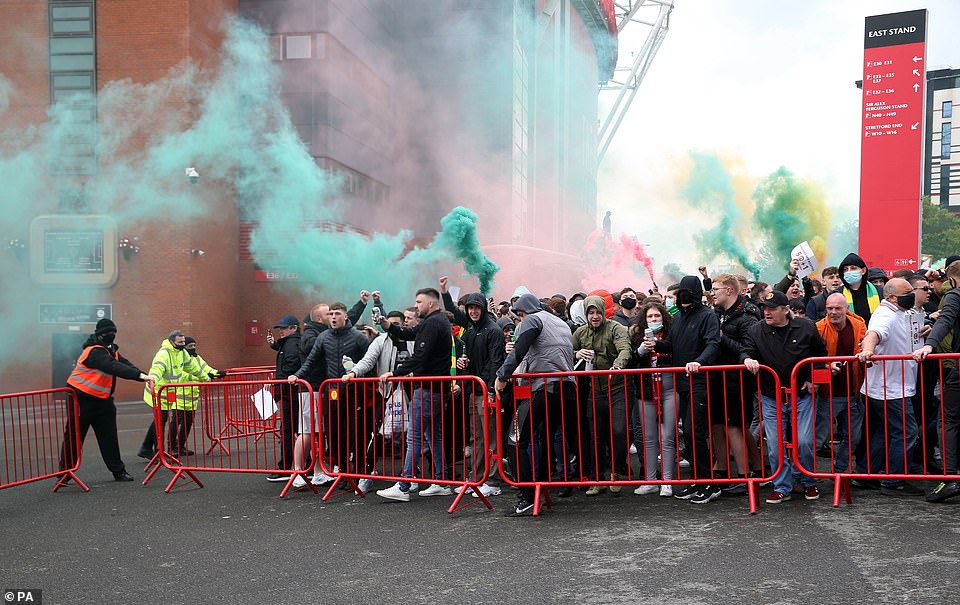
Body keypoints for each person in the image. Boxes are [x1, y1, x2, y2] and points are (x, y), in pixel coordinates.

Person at [494, 293, 577, 516]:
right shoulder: (558, 321)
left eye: (519, 316)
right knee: (545, 438)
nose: (520, 321)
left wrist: (502, 376)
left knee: (514, 440)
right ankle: (540, 491)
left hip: (545, 387)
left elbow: (519, 350)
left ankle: (527, 497)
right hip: (566, 387)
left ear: (524, 312)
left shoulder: (532, 319)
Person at [742, 290, 827, 504]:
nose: (767, 313)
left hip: (801, 393)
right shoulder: (756, 330)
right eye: (765, 309)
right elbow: (746, 350)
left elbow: (821, 354)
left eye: (772, 309)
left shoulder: (806, 326)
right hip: (771, 395)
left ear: (786, 310)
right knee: (775, 443)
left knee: (805, 441)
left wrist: (813, 378)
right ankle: (782, 485)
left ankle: (808, 481)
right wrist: (747, 359)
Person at [376, 288, 455, 502]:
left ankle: (404, 486)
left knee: (414, 437)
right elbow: (409, 334)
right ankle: (441, 482)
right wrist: (387, 325)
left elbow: (420, 355)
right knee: (434, 437)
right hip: (436, 390)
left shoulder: (433, 323)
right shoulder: (437, 322)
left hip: (427, 389)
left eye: (419, 301)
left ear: (431, 303)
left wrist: (396, 371)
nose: (416, 305)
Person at [651, 275, 721, 504]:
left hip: (700, 381)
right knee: (689, 434)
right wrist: (656, 345)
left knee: (694, 432)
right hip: (683, 382)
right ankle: (698, 480)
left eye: (687, 293)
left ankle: (708, 483)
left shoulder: (708, 316)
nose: (683, 298)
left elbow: (713, 343)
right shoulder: (679, 318)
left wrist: (700, 362)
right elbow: (672, 345)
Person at [60, 318, 151, 481]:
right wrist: (137, 375)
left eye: (114, 332)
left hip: (103, 400)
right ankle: (64, 474)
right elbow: (111, 366)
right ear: (99, 335)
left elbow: (125, 364)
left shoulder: (111, 351)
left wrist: (143, 375)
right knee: (74, 436)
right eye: (108, 333)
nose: (112, 335)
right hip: (80, 399)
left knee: (109, 437)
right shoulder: (94, 351)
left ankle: (118, 471)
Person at [439, 276, 505, 498]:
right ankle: (477, 478)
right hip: (473, 390)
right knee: (476, 438)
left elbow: (496, 363)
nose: (473, 312)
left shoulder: (493, 330)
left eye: (477, 308)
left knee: (490, 437)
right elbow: (452, 311)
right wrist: (444, 291)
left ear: (484, 309)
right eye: (470, 308)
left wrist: (487, 390)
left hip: (483, 391)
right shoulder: (470, 328)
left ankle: (493, 481)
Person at [856, 279, 923, 496]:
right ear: (892, 297)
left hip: (886, 387)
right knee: (906, 432)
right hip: (890, 389)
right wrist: (867, 351)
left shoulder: (899, 312)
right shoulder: (885, 314)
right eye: (908, 292)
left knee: (883, 432)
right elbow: (873, 334)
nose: (912, 294)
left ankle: (867, 472)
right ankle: (894, 480)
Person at [289, 302, 370, 482]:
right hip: (332, 392)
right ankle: (341, 470)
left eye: (337, 313)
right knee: (333, 433)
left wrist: (362, 377)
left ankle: (359, 471)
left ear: (346, 316)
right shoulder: (323, 337)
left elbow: (370, 361)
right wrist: (296, 375)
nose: (333, 317)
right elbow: (310, 361)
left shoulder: (358, 337)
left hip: (353, 392)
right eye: (331, 314)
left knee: (353, 433)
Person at [342, 310, 416, 494]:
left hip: (412, 392)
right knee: (378, 435)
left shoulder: (413, 340)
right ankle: (367, 476)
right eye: (388, 323)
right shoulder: (380, 341)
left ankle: (412, 475)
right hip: (386, 394)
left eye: (397, 324)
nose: (391, 327)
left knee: (413, 436)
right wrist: (353, 372)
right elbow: (368, 361)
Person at [709, 273, 763, 494]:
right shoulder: (719, 313)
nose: (712, 294)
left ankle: (744, 476)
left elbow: (748, 349)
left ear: (729, 291)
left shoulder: (747, 316)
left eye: (715, 289)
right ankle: (732, 469)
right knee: (722, 424)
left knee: (735, 425)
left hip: (738, 378)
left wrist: (721, 337)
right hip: (720, 376)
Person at [572, 295, 632, 495]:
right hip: (594, 391)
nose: (595, 316)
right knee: (595, 436)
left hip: (617, 388)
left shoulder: (615, 328)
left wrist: (617, 366)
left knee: (619, 430)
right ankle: (598, 479)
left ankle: (616, 473)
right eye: (590, 312)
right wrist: (577, 353)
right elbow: (566, 351)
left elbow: (625, 349)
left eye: (597, 312)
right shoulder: (580, 332)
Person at [915, 261, 960, 502]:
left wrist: (930, 343)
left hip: (958, 368)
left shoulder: (955, 294)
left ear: (951, 281)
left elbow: (946, 319)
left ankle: (950, 478)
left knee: (948, 421)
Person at [138, 330, 213, 460]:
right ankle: (158, 452)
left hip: (169, 392)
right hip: (157, 391)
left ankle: (146, 448)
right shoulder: (164, 353)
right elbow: (158, 367)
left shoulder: (181, 353)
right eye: (180, 342)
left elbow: (192, 367)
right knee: (161, 421)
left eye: (184, 342)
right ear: (172, 342)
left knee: (161, 419)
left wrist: (206, 377)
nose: (183, 344)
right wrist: (153, 378)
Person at [814, 293, 866, 473]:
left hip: (854, 392)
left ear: (847, 309)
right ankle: (803, 477)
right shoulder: (818, 328)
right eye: (830, 308)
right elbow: (810, 358)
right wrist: (827, 366)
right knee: (816, 440)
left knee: (853, 438)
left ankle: (839, 471)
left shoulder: (859, 325)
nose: (833, 312)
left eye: (837, 308)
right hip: (827, 395)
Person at [630, 301, 677, 497]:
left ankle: (667, 481)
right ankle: (650, 481)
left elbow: (678, 352)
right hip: (646, 390)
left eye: (657, 316)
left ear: (663, 317)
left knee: (667, 437)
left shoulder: (671, 334)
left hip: (669, 389)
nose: (654, 319)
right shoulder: (636, 336)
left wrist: (659, 346)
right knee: (649, 438)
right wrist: (640, 351)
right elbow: (631, 361)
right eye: (650, 316)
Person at [265, 315, 301, 482]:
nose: (281, 331)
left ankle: (285, 467)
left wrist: (278, 383)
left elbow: (290, 365)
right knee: (297, 430)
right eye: (280, 328)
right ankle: (301, 465)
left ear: (294, 328)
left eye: (284, 328)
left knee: (288, 430)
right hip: (290, 392)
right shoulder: (289, 343)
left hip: (290, 393)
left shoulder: (291, 344)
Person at [174, 337, 224, 456]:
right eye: (190, 346)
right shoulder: (179, 358)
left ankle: (181, 446)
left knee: (188, 422)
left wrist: (216, 373)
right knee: (176, 421)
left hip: (191, 396)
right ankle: (172, 447)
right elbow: (183, 375)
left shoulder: (196, 358)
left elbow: (206, 368)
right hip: (177, 395)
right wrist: (203, 376)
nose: (193, 348)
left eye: (194, 345)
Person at [838, 252, 880, 324]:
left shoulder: (879, 291)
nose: (849, 271)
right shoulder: (837, 294)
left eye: (853, 268)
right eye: (845, 269)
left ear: (863, 271)